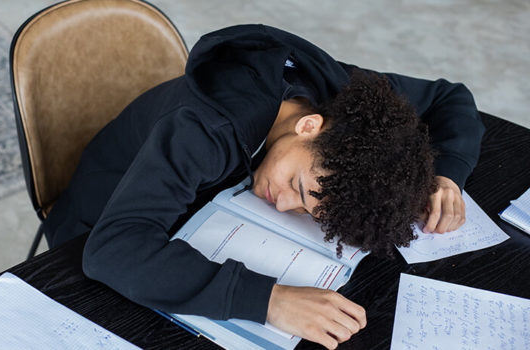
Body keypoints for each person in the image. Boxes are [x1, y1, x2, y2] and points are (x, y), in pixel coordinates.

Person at [43, 24, 484, 349]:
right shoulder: (204, 129)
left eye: (311, 213)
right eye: (300, 187)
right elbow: (112, 250)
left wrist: (446, 174)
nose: (284, 204)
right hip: (94, 224)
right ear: (309, 125)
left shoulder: (341, 101)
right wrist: (269, 301)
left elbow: (450, 99)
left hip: (199, 210)